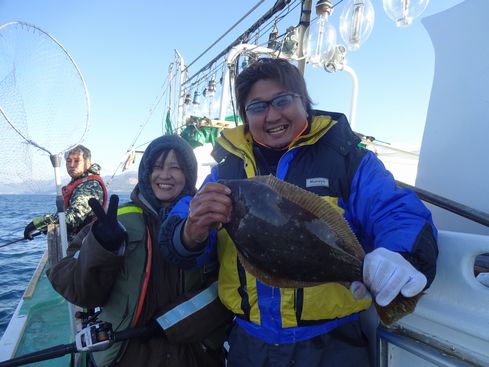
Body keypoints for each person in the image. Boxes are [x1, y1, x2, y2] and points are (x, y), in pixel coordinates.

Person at [160, 58, 438, 366]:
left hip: (332, 346)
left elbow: (397, 210)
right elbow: (179, 231)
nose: (272, 115)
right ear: (246, 118)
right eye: (257, 107)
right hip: (250, 346)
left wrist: (399, 254)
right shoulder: (224, 174)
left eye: (283, 100)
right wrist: (190, 233)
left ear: (304, 102)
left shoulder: (346, 160)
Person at [47, 135, 233, 367]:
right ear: (146, 172)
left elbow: (230, 289)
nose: (165, 175)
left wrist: (171, 323)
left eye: (176, 167)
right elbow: (70, 283)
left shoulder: (211, 221)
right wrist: (101, 246)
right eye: (157, 167)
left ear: (188, 175)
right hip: (126, 355)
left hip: (194, 355)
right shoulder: (117, 219)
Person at [23, 144, 107, 241]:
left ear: (88, 162)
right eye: (68, 161)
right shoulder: (80, 182)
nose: (71, 165)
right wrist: (46, 227)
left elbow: (72, 217)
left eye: (76, 161)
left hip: (84, 247)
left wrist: (38, 223)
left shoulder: (90, 185)